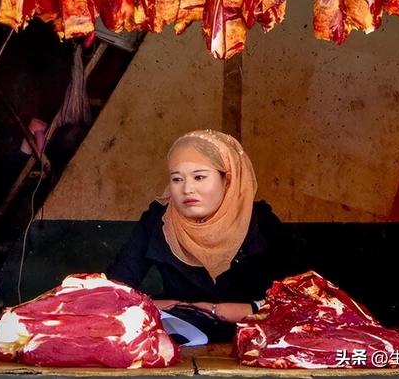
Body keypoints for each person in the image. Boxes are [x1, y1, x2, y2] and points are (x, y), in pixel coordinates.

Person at [108, 130, 296, 340]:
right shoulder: (158, 219)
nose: (187, 189)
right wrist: (168, 305)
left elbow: (301, 297)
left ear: (227, 180)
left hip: (257, 339)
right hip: (180, 336)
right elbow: (115, 290)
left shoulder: (259, 221)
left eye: (199, 177)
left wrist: (239, 309)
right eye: (177, 179)